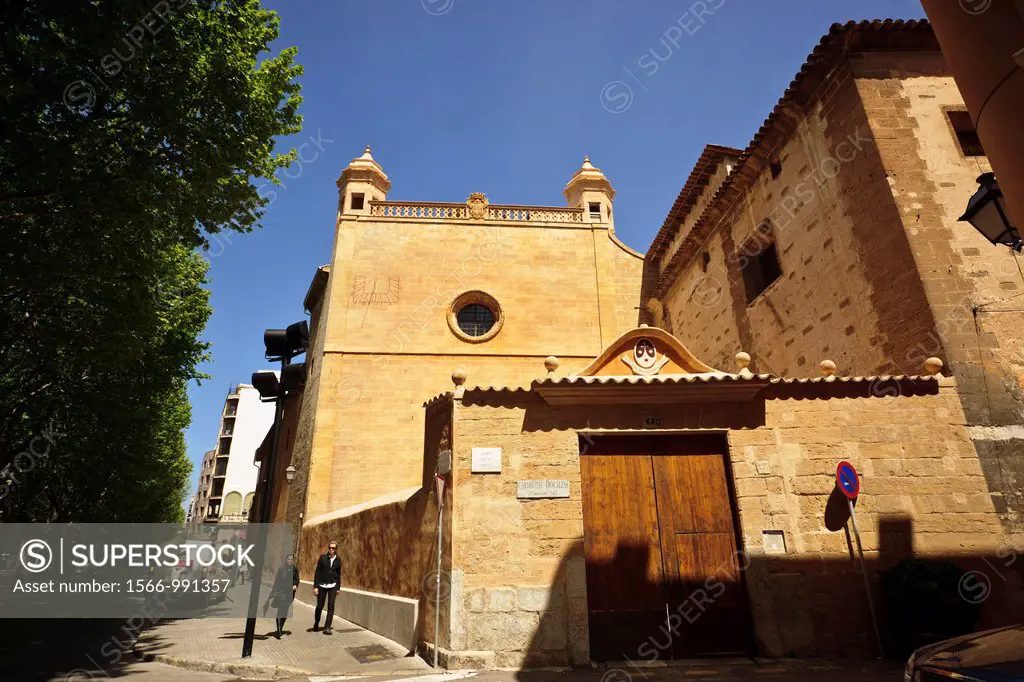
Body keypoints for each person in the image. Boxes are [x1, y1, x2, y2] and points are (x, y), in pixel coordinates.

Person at [264, 554, 299, 639]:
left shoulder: (295, 569)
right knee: (280, 611)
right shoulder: (281, 569)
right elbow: (277, 582)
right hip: (281, 593)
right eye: (288, 559)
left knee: (285, 613)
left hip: (290, 594)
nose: (290, 561)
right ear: (286, 560)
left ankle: (280, 628)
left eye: (291, 559)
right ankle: (279, 631)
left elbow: (297, 580)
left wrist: (295, 585)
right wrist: (273, 593)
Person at [312, 540, 341, 635]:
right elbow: (317, 573)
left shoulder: (338, 560)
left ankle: (327, 627)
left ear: (336, 549)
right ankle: (316, 623)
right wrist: (315, 587)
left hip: (333, 585)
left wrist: (338, 588)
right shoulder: (322, 558)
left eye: (333, 548)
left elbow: (338, 575)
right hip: (321, 585)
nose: (331, 549)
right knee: (320, 606)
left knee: (331, 606)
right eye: (330, 548)